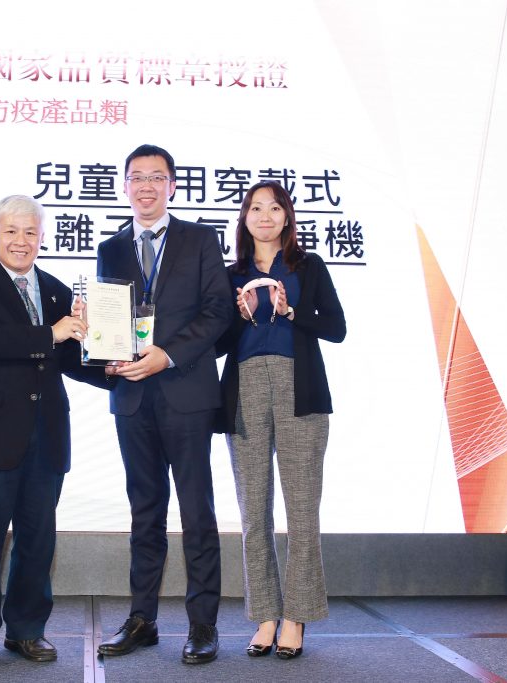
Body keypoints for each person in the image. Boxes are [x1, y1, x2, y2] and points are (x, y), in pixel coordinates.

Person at [93, 144, 232, 664]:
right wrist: (106, 354)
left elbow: (218, 311)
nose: (146, 186)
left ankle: (203, 625)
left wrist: (167, 355)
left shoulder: (200, 239)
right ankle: (142, 619)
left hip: (186, 391)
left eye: (156, 177)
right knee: (144, 511)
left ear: (173, 185)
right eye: (136, 177)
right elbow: (110, 317)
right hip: (132, 396)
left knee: (197, 511)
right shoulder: (111, 248)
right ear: (125, 186)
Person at [0, 194, 101, 668]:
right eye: (11, 231)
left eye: (30, 232)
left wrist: (117, 363)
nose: (21, 241)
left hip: (47, 435)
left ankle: (27, 630)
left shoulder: (56, 290)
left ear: (42, 237)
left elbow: (70, 359)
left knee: (38, 540)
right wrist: (52, 333)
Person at [215, 180, 346, 660]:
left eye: (274, 208)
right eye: (255, 208)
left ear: (287, 216)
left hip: (299, 387)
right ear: (244, 218)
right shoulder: (231, 274)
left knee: (302, 510)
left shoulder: (309, 266)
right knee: (253, 510)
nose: (264, 216)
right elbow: (216, 345)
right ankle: (266, 615)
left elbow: (336, 328)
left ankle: (297, 616)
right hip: (246, 388)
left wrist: (291, 313)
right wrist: (238, 315)